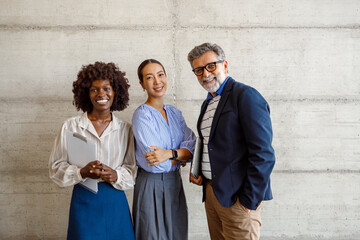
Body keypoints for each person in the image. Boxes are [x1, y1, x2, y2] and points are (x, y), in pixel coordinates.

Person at [188, 43, 276, 240]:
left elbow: (264, 154)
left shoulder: (245, 96)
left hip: (238, 200)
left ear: (224, 65)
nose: (206, 74)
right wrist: (199, 171)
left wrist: (247, 201)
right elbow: (212, 145)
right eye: (199, 70)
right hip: (212, 194)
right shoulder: (208, 103)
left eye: (211, 66)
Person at [49, 62, 136, 240]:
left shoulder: (126, 129)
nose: (101, 94)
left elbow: (132, 170)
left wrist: (116, 175)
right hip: (84, 199)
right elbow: (55, 168)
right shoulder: (70, 126)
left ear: (115, 92)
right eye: (94, 90)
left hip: (115, 200)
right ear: (86, 94)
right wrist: (81, 171)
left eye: (106, 88)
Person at [131, 59, 196, 240]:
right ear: (142, 84)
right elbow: (155, 165)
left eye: (160, 74)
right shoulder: (142, 115)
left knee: (177, 235)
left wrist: (169, 154)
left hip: (174, 184)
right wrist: (181, 156)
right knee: (152, 235)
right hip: (150, 184)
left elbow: (193, 147)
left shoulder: (175, 113)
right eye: (149, 77)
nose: (157, 81)